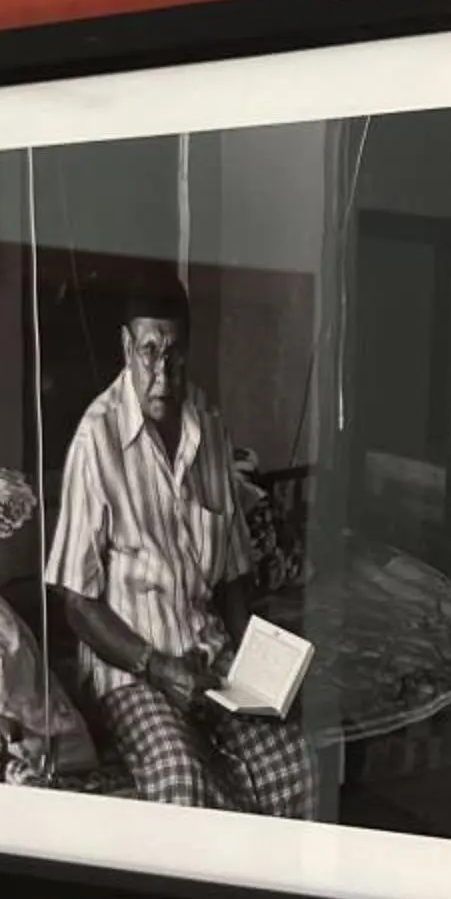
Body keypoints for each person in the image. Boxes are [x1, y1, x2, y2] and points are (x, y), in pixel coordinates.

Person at [45, 277, 314, 817]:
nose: (163, 374)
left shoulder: (208, 427)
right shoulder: (96, 440)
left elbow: (234, 574)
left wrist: (260, 668)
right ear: (127, 347)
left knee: (296, 766)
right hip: (131, 670)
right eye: (149, 353)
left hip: (209, 655)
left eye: (175, 355)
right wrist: (158, 667)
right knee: (181, 782)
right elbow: (76, 601)